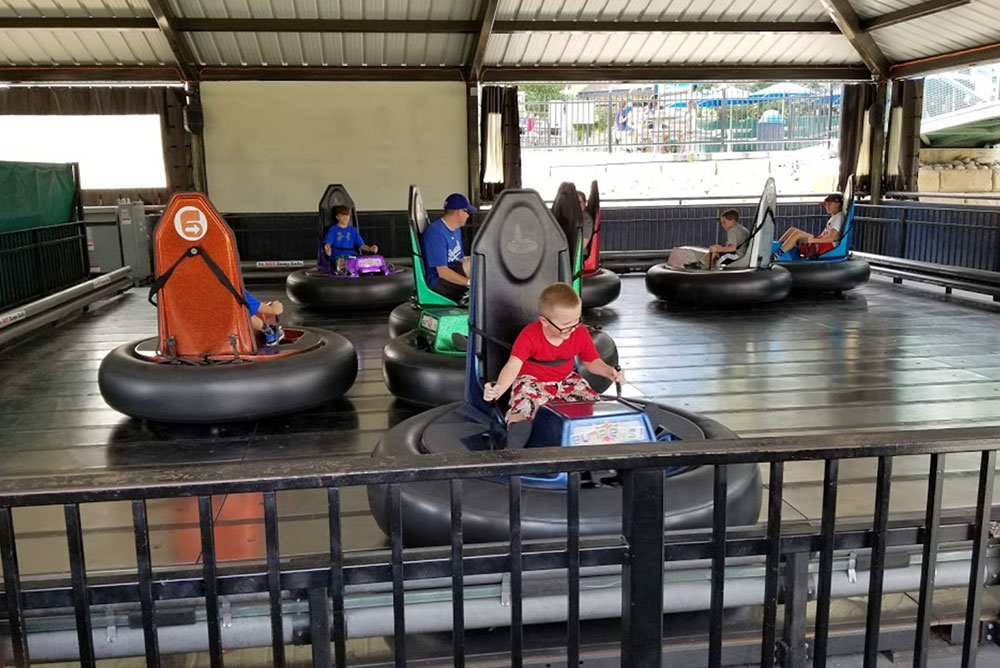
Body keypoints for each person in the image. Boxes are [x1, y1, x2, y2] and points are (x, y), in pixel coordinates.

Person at [483, 283, 624, 447]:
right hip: (533, 381)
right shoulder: (529, 335)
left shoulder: (580, 333)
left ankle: (608, 431)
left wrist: (608, 371)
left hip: (567, 380)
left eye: (576, 322)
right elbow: (513, 365)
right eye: (565, 326)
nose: (572, 329)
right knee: (524, 404)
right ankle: (517, 435)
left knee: (590, 401)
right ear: (544, 321)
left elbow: (591, 361)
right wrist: (498, 388)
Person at [422, 193, 476, 301]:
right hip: (439, 283)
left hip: (452, 272)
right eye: (467, 212)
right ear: (459, 212)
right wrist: (471, 283)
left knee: (479, 261)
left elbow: (459, 259)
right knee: (475, 264)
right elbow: (443, 273)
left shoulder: (456, 230)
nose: (468, 215)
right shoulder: (435, 232)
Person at [667, 209, 749, 271]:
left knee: (719, 257)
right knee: (716, 249)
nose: (723, 225)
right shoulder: (741, 229)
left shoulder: (732, 230)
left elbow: (732, 248)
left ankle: (712, 270)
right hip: (742, 252)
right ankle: (701, 264)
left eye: (724, 222)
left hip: (738, 255)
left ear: (732, 221)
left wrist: (718, 249)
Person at [773, 193, 845, 261]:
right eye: (826, 205)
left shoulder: (838, 217)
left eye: (829, 204)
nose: (827, 207)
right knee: (792, 230)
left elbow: (831, 239)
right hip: (822, 241)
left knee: (797, 235)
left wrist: (812, 240)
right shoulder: (835, 216)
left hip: (827, 246)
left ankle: (776, 255)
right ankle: (775, 248)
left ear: (837, 204)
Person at [323, 205, 378, 275]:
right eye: (342, 215)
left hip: (352, 255)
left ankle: (369, 271)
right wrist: (327, 249)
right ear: (337, 217)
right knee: (341, 262)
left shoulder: (353, 230)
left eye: (347, 215)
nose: (345, 218)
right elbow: (328, 243)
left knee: (365, 260)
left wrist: (370, 249)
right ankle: (342, 271)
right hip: (338, 255)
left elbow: (361, 245)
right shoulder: (333, 229)